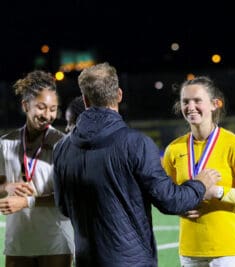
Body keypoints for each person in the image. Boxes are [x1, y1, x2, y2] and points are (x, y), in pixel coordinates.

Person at [52, 62, 222, 267]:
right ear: (119, 95)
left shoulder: (61, 148)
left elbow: (63, 207)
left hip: (86, 260)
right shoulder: (136, 143)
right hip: (131, 260)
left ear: (86, 100)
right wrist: (200, 184)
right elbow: (170, 201)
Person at [162, 76, 235, 267]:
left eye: (197, 100)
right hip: (191, 251)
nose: (190, 106)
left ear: (214, 104)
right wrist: (179, 207)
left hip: (229, 251)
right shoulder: (173, 150)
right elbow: (167, 195)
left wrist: (216, 192)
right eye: (185, 101)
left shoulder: (234, 145)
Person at [0, 70, 74, 267]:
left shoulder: (63, 144)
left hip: (55, 243)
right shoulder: (5, 144)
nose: (47, 115)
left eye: (53, 109)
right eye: (41, 107)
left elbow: (68, 196)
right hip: (19, 243)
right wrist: (6, 188)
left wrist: (27, 201)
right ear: (26, 105)